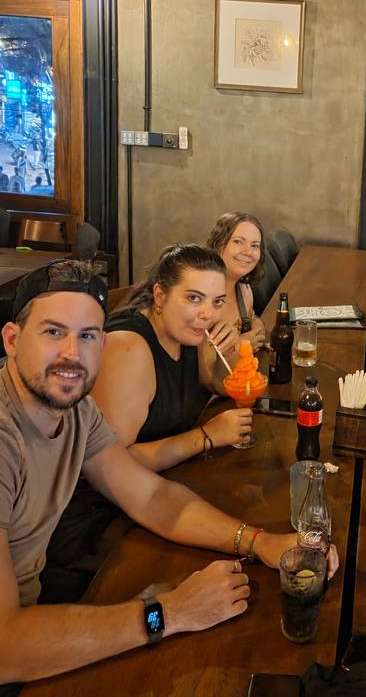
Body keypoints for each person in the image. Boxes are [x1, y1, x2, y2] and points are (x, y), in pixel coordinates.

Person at [0, 261, 328, 693]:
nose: (72, 354)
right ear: (12, 339)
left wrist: (260, 542)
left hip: (39, 611)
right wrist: (169, 613)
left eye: (88, 335)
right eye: (53, 332)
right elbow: (6, 649)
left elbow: (149, 496)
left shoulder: (77, 411)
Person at [41, 244, 255, 604]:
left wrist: (228, 349)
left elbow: (217, 384)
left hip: (152, 494)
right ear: (159, 295)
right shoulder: (130, 348)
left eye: (217, 302)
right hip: (94, 524)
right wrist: (206, 437)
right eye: (194, 298)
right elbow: (110, 466)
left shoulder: (186, 332)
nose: (207, 313)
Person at [206, 212, 267, 358]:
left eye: (255, 246)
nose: (248, 252)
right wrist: (240, 346)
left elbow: (252, 318)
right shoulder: (203, 299)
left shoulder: (244, 289)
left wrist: (257, 325)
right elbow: (203, 368)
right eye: (238, 242)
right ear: (218, 244)